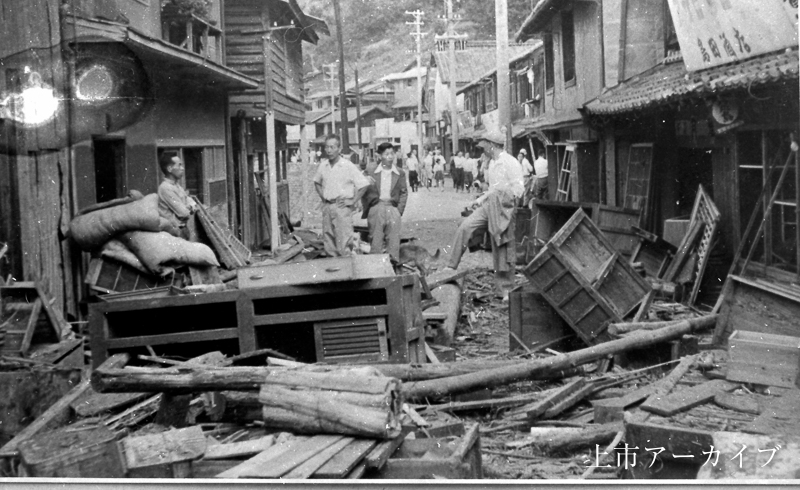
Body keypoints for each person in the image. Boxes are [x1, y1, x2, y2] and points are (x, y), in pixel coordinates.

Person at [442, 129, 524, 297]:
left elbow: (519, 189)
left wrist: (505, 202)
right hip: (490, 204)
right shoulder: (492, 163)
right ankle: (450, 266)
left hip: (504, 206)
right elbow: (492, 189)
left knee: (501, 245)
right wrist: (481, 199)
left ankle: (505, 290)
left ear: (492, 145)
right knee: (465, 226)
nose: (482, 149)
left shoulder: (510, 162)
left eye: (484, 145)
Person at [313, 134, 371, 257]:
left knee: (344, 243)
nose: (329, 150)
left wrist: (353, 201)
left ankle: (347, 272)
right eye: (327, 147)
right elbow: (316, 182)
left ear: (339, 149)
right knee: (329, 242)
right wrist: (323, 196)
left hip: (342, 208)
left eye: (332, 147)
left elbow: (364, 185)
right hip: (328, 207)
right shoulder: (323, 165)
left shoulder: (347, 165)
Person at [361, 142, 408, 260]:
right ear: (379, 155)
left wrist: (398, 211)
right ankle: (376, 271)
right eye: (387, 154)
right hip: (376, 208)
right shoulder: (371, 170)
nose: (390, 156)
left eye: (392, 153)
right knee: (375, 241)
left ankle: (392, 270)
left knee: (393, 242)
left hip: (392, 208)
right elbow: (361, 187)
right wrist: (369, 206)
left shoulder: (399, 172)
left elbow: (403, 192)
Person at [158, 151, 197, 240]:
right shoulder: (165, 188)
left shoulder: (176, 185)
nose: (182, 168)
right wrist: (190, 207)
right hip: (173, 233)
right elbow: (184, 213)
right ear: (169, 169)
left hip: (182, 230)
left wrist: (189, 205)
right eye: (179, 165)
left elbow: (190, 200)